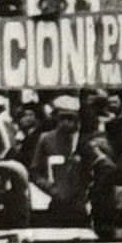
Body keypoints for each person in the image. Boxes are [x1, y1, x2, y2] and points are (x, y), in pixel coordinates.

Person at [28, 95, 90, 225]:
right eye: (63, 118)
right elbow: (34, 170)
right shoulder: (46, 139)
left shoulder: (85, 140)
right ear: (56, 118)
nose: (67, 122)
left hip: (80, 203)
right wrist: (51, 189)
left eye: (71, 118)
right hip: (57, 202)